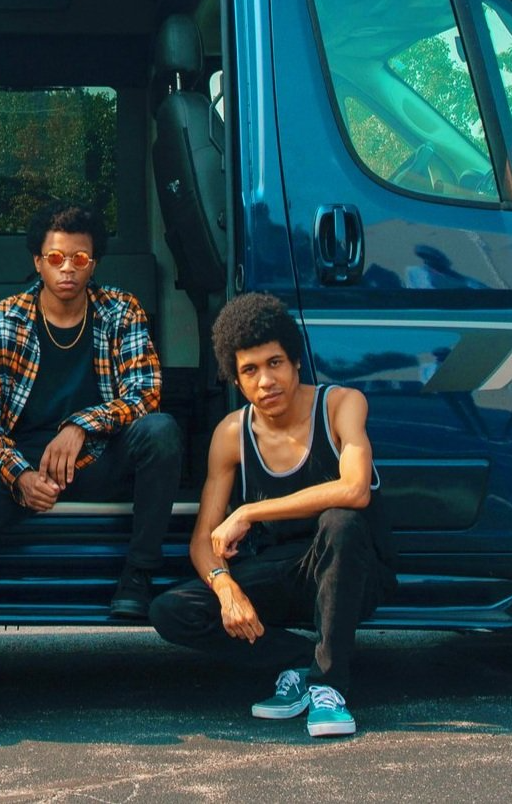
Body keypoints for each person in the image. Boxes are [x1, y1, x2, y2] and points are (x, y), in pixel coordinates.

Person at [0, 201, 183, 732]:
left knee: (161, 433)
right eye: (56, 258)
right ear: (38, 261)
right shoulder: (2, 320)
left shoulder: (122, 310)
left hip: (98, 455)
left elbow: (146, 395)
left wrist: (81, 426)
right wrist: (20, 475)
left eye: (79, 257)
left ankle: (137, 578)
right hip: (23, 462)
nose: (68, 268)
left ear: (94, 262)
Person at [148, 292, 397, 738]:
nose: (266, 380)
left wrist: (249, 510)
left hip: (351, 572)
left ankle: (329, 689)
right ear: (236, 380)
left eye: (275, 363)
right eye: (250, 370)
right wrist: (225, 589)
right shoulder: (231, 434)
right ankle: (300, 660)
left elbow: (355, 489)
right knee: (171, 611)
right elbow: (204, 539)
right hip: (285, 574)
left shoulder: (342, 404)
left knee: (340, 520)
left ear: (296, 362)